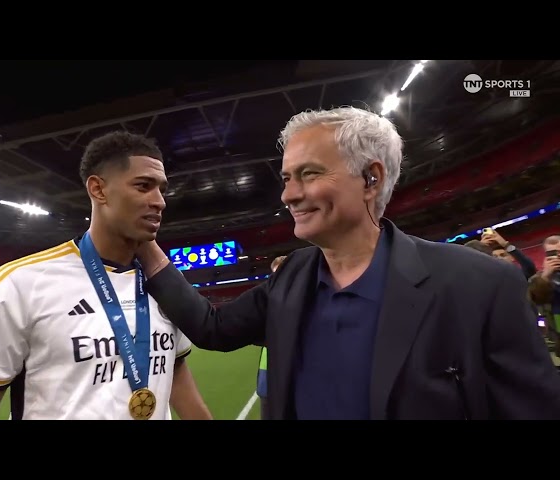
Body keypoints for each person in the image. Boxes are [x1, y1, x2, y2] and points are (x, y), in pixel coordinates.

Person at [135, 106, 560, 420]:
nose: (289, 195)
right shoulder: (293, 277)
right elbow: (214, 328)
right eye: (287, 178)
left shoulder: (478, 284)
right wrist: (147, 246)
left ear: (371, 179)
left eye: (309, 174)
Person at [0, 131, 212, 421]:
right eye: (143, 186)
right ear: (98, 189)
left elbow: (176, 371)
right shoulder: (20, 283)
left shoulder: (165, 284)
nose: (159, 201)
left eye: (161, 189)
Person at [256, 255, 287, 420]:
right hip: (267, 376)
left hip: (293, 377)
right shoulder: (268, 300)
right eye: (275, 274)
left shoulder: (304, 298)